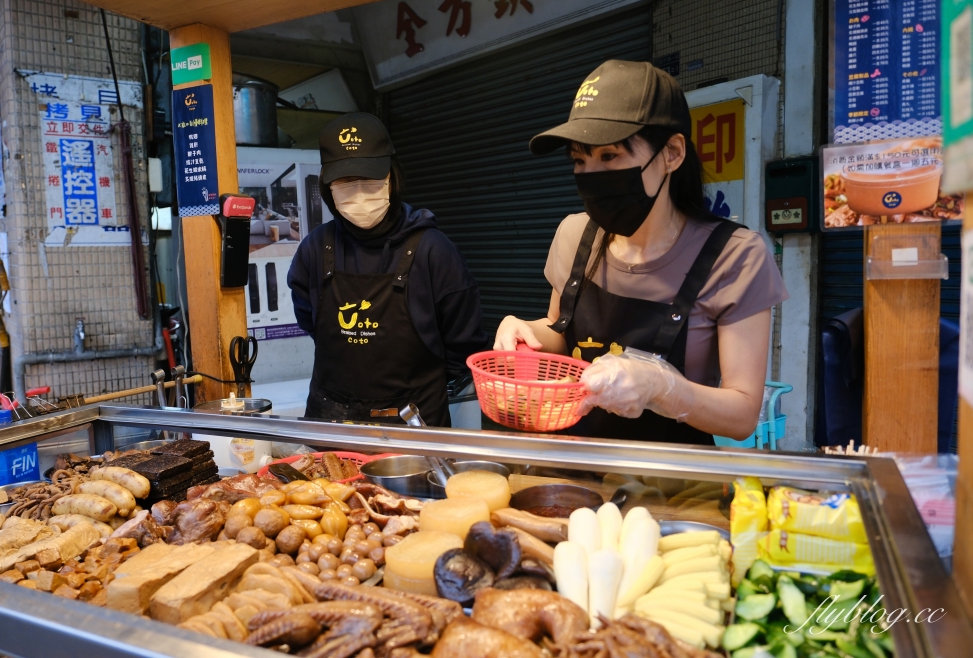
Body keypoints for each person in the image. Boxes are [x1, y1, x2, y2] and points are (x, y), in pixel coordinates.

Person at [494, 61, 788, 443]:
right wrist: (525, 331)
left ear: (672, 153)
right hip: (575, 465)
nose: (591, 175)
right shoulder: (574, 234)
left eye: (610, 156)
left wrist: (662, 387)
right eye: (580, 160)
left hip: (675, 488)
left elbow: (743, 414)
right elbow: (559, 335)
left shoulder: (735, 257)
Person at [290, 112, 487, 427]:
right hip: (331, 424)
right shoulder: (315, 249)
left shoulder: (433, 251)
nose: (358, 193)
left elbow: (463, 344)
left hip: (413, 425)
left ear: (393, 177)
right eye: (344, 182)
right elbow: (310, 322)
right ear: (327, 186)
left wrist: (417, 386)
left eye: (369, 178)